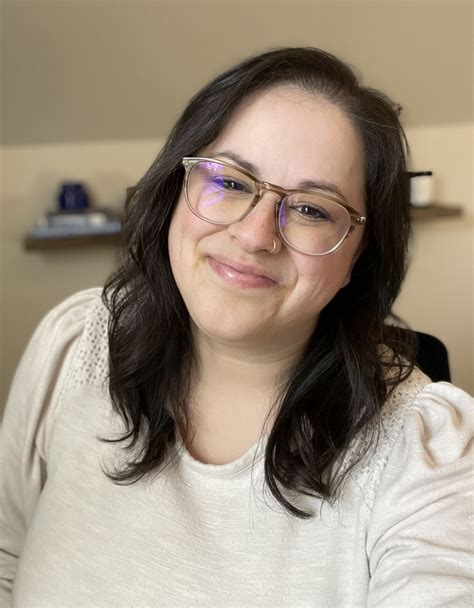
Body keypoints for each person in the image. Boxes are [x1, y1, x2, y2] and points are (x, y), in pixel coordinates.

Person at [0, 47, 472, 607]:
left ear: (358, 258)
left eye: (312, 209)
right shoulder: (75, 344)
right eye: (229, 181)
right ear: (175, 190)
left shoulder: (426, 453)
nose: (253, 236)